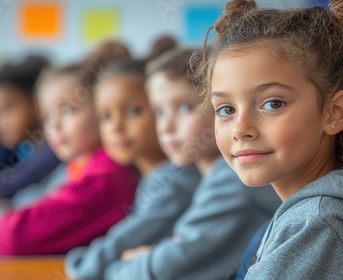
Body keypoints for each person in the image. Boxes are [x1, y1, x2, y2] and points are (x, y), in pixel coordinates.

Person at [193, 0, 343, 278]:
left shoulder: (317, 228)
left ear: (334, 112)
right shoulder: (341, 213)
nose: (241, 128)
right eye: (226, 110)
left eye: (272, 103)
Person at [104, 49, 280, 279]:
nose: (166, 127)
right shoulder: (195, 177)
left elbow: (177, 259)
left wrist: (125, 267)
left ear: (222, 108)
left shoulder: (234, 178)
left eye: (185, 107)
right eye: (159, 112)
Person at [0, 63, 140, 255]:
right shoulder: (76, 166)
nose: (55, 126)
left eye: (68, 111)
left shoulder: (104, 178)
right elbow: (36, 206)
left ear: (101, 110)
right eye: (46, 117)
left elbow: (14, 238)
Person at [65, 57, 202, 280]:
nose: (116, 127)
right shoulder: (147, 178)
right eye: (106, 116)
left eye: (133, 111)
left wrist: (81, 265)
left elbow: (126, 240)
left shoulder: (175, 180)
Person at [0, 55, 61, 199]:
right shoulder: (20, 150)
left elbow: (5, 186)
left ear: (36, 103)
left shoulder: (52, 148)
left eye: (8, 108)